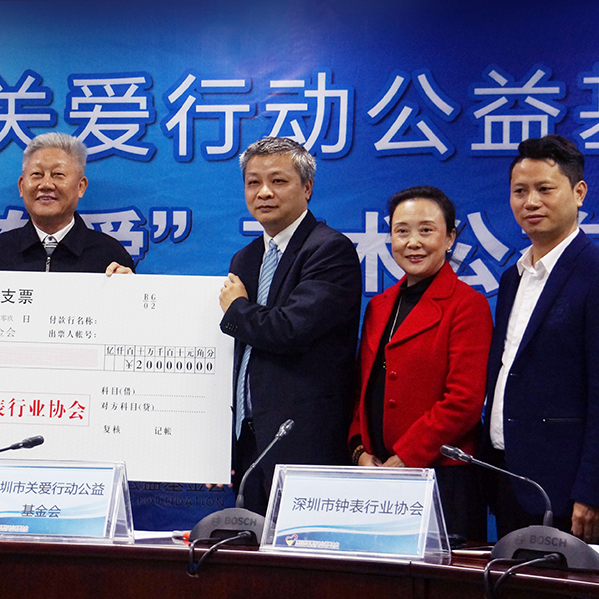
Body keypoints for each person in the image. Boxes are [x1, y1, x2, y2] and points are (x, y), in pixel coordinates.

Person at [219, 137, 361, 514]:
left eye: (278, 181)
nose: (264, 192)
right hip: (248, 441)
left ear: (307, 187)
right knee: (248, 546)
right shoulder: (246, 257)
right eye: (253, 182)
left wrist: (237, 309)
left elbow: (289, 330)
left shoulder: (330, 250)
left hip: (302, 440)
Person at [348, 186, 492, 541]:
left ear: (450, 238)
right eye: (402, 231)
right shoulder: (379, 305)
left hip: (442, 475)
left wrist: (405, 457)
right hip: (379, 474)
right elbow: (363, 387)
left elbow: (464, 402)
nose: (413, 242)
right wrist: (359, 450)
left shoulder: (467, 305)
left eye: (426, 230)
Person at [483, 134, 599, 543]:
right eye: (520, 191)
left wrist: (592, 489)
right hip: (508, 474)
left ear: (579, 192)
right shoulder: (512, 278)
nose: (530, 202)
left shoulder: (593, 272)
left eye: (545, 189)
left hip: (569, 490)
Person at [0, 132, 134, 275]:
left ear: (81, 187)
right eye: (37, 174)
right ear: (21, 186)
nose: (46, 185)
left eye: (58, 174)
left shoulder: (110, 256)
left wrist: (130, 293)